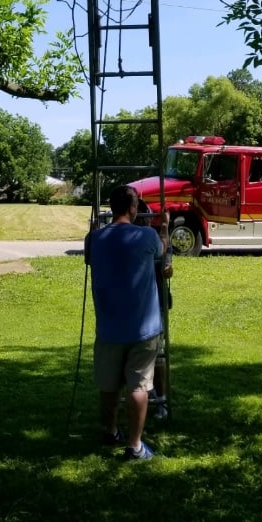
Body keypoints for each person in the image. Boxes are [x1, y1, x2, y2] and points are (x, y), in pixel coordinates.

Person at [86, 184, 172, 460]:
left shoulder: (94, 239)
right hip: (143, 326)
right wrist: (164, 228)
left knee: (109, 386)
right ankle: (134, 445)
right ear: (134, 208)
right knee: (139, 386)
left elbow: (91, 259)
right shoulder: (146, 235)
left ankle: (110, 431)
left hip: (109, 326)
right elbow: (162, 251)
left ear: (111, 206)